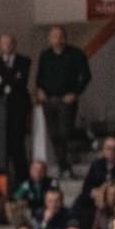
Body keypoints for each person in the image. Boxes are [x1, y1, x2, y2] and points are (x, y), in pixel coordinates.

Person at [35, 25, 92, 177]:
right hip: (49, 100)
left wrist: (75, 93)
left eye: (59, 35)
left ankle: (84, 136)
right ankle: (63, 165)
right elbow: (39, 77)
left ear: (64, 38)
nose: (56, 38)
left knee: (65, 132)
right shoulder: (45, 55)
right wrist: (40, 90)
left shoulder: (75, 54)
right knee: (54, 134)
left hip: (67, 99)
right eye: (53, 35)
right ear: (49, 38)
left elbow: (86, 75)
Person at [0, 34, 33, 184]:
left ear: (14, 44)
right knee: (0, 151)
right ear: (0, 45)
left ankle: (23, 183)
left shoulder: (24, 61)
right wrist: (4, 85)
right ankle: (3, 185)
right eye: (4, 43)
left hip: (17, 112)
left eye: (9, 43)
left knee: (18, 148)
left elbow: (19, 82)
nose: (7, 46)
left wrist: (2, 83)